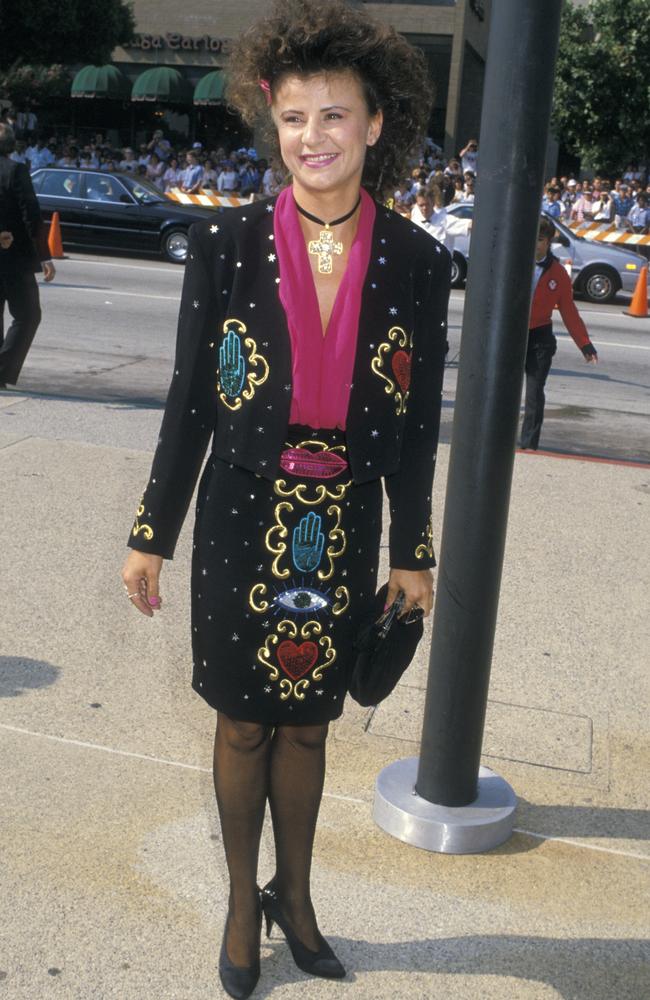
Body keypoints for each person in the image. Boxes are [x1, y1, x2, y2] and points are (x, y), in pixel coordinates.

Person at [120, 1, 449, 996]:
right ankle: (235, 902)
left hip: (340, 521)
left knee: (308, 722)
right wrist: (151, 535)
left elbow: (416, 418)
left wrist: (412, 547)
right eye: (296, 117)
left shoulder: (417, 261)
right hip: (235, 515)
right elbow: (187, 402)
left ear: (375, 124)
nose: (313, 137)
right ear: (274, 120)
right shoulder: (221, 250)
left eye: (335, 116)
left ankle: (292, 898)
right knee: (243, 726)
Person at [521, 216, 598, 450]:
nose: (535, 244)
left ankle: (529, 444)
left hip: (540, 336)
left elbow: (569, 311)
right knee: (501, 388)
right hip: (512, 334)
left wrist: (585, 344)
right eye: (532, 238)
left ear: (548, 242)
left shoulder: (558, 274)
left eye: (540, 240)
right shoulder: (514, 262)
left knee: (535, 391)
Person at [0, 125, 55, 389]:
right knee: (28, 315)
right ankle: (2, 369)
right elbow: (31, 214)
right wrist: (44, 255)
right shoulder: (15, 171)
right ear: (12, 146)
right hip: (14, 256)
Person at [412, 187, 471, 255]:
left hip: (440, 264)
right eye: (421, 205)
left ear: (433, 203)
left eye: (427, 204)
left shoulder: (445, 220)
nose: (424, 208)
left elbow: (469, 225)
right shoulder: (415, 220)